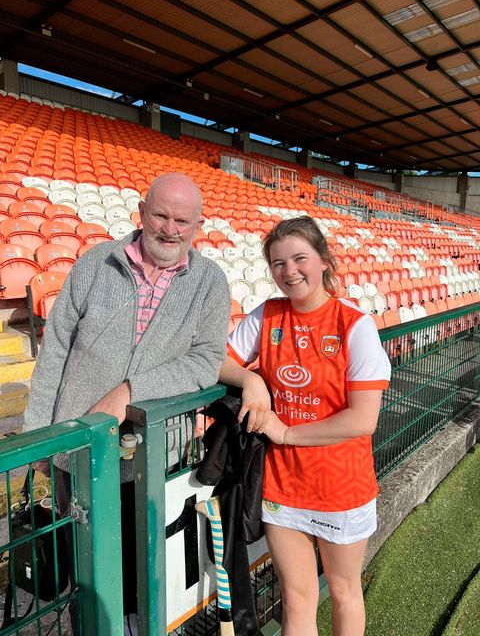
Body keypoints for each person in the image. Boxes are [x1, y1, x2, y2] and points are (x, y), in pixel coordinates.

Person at [23, 172, 231, 633]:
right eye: (161, 215)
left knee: (139, 576)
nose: (170, 228)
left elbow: (205, 362)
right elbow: (55, 347)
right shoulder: (97, 262)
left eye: (182, 220)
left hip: (154, 456)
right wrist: (39, 436)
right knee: (87, 571)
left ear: (198, 224)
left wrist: (130, 390)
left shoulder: (210, 283)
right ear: (141, 212)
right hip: (78, 450)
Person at [219, 216, 391, 636]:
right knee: (296, 597)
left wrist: (289, 433)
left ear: (325, 261)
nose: (289, 272)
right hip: (283, 485)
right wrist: (252, 379)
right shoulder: (268, 315)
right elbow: (218, 360)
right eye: (278, 264)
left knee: (344, 590)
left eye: (299, 259)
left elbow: (363, 419)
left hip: (341, 488)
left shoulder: (356, 326)